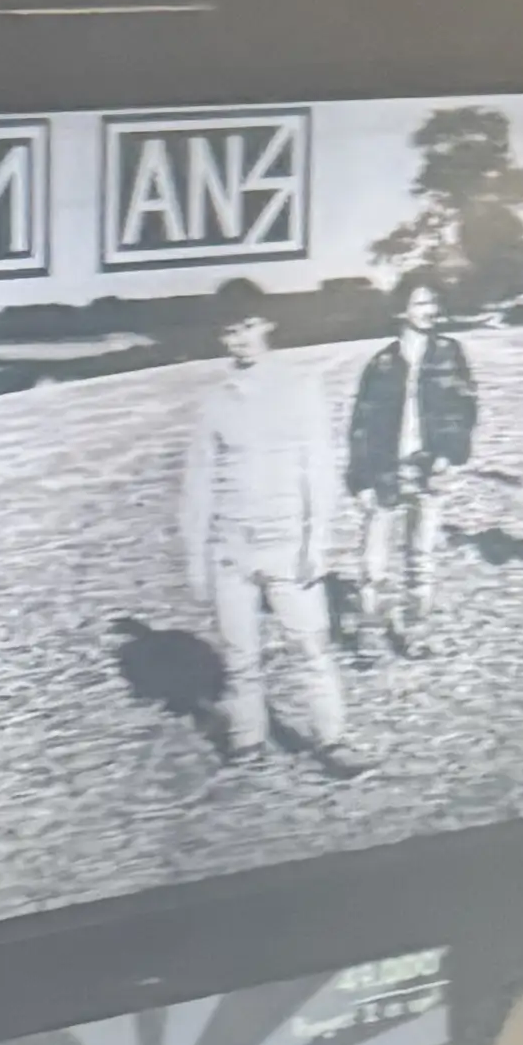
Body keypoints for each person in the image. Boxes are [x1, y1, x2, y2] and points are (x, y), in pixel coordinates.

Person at [173, 292, 357, 779]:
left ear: (267, 325)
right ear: (222, 338)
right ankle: (247, 741)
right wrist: (196, 560)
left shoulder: (299, 388)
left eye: (249, 325)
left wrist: (316, 543)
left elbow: (318, 469)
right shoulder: (215, 402)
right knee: (240, 657)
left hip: (287, 545)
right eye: (231, 330)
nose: (242, 338)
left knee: (311, 649)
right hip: (231, 548)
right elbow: (199, 485)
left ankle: (333, 740)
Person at [343, 273, 478, 655]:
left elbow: (465, 409)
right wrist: (362, 479)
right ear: (402, 309)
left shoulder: (450, 353)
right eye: (420, 302)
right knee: (373, 562)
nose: (429, 310)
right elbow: (362, 426)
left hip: (429, 469)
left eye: (433, 302)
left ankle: (416, 630)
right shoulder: (382, 364)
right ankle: (370, 631)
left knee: (421, 556)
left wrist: (450, 456)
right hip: (385, 469)